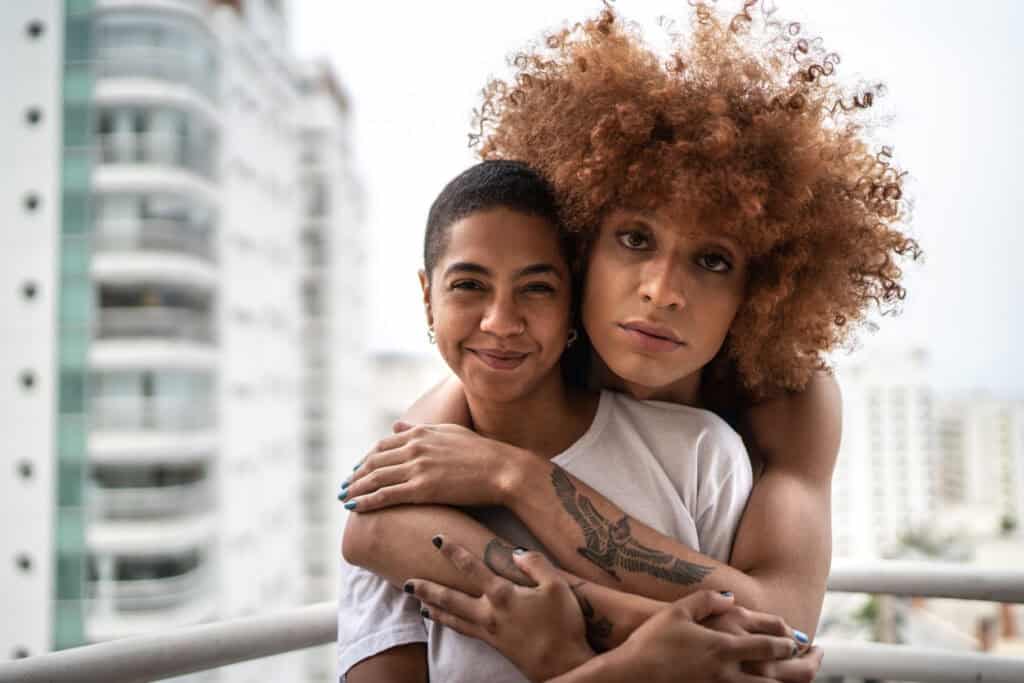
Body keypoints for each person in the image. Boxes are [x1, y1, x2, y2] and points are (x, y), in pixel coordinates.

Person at [341, 2, 918, 678]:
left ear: (760, 288)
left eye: (713, 259)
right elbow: (374, 526)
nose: (662, 289)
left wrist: (520, 477)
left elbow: (782, 628)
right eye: (635, 238)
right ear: (582, 245)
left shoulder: (786, 394)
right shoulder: (518, 359)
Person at [338, 159, 805, 683]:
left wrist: (515, 477)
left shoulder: (702, 453)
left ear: (572, 297)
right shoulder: (403, 483)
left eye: (536, 288)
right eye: (468, 284)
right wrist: (626, 664)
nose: (500, 322)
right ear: (428, 298)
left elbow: (770, 651)